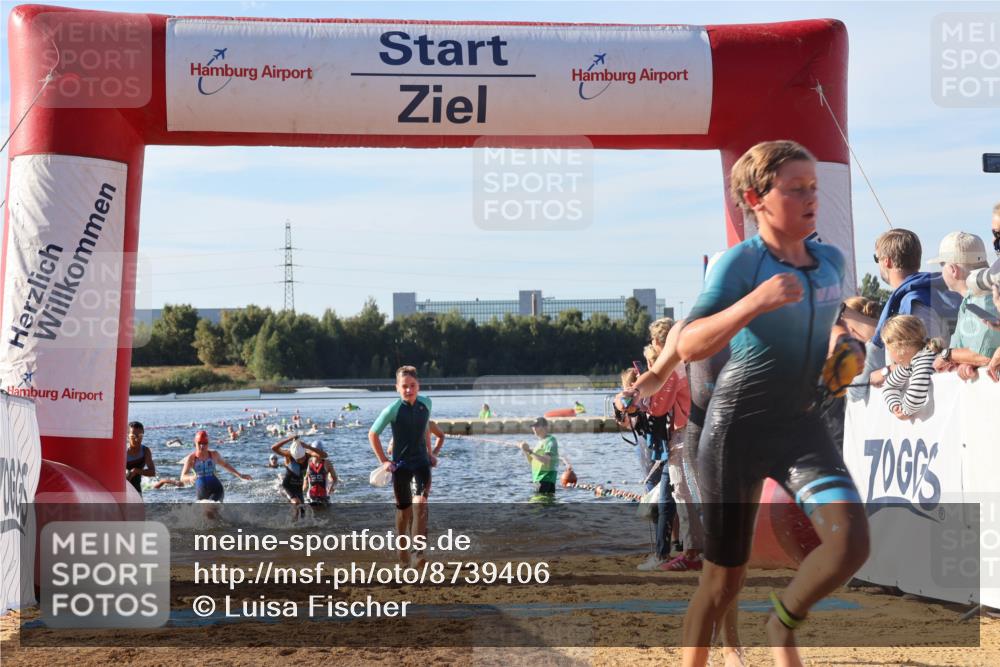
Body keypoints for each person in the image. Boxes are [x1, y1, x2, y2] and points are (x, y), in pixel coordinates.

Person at [675, 140, 868, 667]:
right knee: (722, 583)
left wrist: (846, 349)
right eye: (795, 189)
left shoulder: (830, 262)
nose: (811, 198)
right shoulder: (741, 264)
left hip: (801, 426)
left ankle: (781, 625)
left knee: (850, 544)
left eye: (814, 187)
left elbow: (833, 328)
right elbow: (688, 344)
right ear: (756, 198)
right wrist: (754, 302)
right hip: (736, 431)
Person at [851, 228, 956, 398]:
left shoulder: (915, 303)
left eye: (876, 259)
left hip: (929, 403)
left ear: (887, 261)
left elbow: (926, 359)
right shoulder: (933, 292)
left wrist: (885, 372)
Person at [369, 366, 437, 567]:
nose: (409, 390)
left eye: (412, 385)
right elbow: (373, 434)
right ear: (397, 388)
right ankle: (402, 546)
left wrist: (430, 453)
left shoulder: (426, 403)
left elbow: (425, 428)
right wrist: (384, 460)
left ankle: (418, 553)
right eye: (404, 386)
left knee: (420, 503)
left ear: (418, 386)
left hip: (422, 464)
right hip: (401, 467)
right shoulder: (392, 410)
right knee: (404, 511)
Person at [928, 232, 1000, 381]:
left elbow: (984, 355)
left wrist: (947, 356)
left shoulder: (984, 298)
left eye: (942, 265)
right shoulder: (969, 302)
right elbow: (966, 352)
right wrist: (962, 362)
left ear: (953, 269)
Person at [880, 315, 943, 419]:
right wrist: (895, 405)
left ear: (900, 348)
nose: (889, 354)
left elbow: (915, 395)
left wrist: (905, 411)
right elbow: (889, 386)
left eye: (888, 349)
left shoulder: (925, 360)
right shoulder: (908, 365)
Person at [180, 430, 252, 502]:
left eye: (205, 443)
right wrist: (190, 478)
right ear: (195, 443)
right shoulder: (191, 458)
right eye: (199, 443)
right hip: (201, 492)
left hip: (216, 490)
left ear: (208, 443)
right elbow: (182, 477)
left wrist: (240, 475)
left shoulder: (214, 455)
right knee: (206, 508)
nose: (202, 446)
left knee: (211, 506)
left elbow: (225, 465)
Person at [271, 434, 327, 516]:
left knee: (302, 512)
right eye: (298, 460)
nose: (300, 461)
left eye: (302, 459)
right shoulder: (288, 455)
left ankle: (295, 522)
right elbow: (274, 448)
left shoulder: (308, 453)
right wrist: (289, 439)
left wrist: (308, 447)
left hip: (298, 487)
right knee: (297, 503)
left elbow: (324, 455)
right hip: (288, 485)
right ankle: (292, 522)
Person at [519, 417, 558, 495]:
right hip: (538, 480)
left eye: (536, 426)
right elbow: (532, 462)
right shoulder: (540, 442)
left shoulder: (550, 440)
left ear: (545, 427)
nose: (534, 428)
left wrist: (530, 451)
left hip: (545, 479)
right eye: (533, 426)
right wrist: (525, 450)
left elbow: (546, 461)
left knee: (539, 502)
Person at [125, 421, 155, 496]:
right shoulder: (122, 451)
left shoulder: (145, 451)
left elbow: (152, 472)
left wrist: (136, 470)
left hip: (137, 489)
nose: (137, 439)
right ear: (127, 436)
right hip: (122, 489)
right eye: (133, 436)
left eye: (140, 436)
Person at [304, 441, 338, 507]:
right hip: (310, 496)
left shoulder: (327, 463)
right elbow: (305, 477)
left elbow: (335, 479)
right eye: (316, 451)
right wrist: (304, 488)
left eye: (319, 451)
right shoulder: (308, 462)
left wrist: (332, 487)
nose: (318, 453)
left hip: (324, 496)